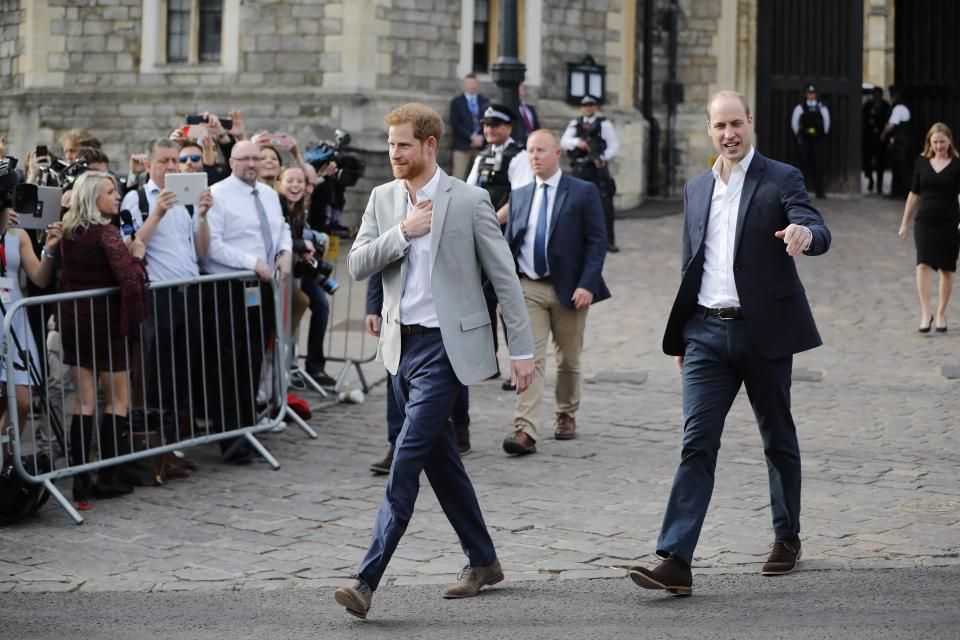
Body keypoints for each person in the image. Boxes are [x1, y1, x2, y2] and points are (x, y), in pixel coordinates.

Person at [334, 103, 534, 619]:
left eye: (402, 145)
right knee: (443, 466)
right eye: (389, 145)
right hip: (401, 351)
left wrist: (523, 350)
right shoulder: (382, 199)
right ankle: (484, 561)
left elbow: (505, 278)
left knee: (404, 462)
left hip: (449, 351)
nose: (393, 154)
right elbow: (357, 265)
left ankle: (366, 580)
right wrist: (402, 231)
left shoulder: (469, 199)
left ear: (428, 145)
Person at [628, 91, 830, 596]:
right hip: (704, 334)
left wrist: (805, 234)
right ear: (709, 129)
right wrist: (681, 335)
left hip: (764, 333)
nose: (729, 135)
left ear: (750, 122)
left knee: (777, 438)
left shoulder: (780, 177)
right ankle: (675, 559)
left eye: (736, 124)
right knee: (696, 442)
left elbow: (815, 223)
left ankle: (787, 537)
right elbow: (689, 261)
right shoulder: (696, 187)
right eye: (720, 127)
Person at [501, 128, 610, 455]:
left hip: (570, 290)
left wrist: (587, 283)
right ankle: (525, 430)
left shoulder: (582, 192)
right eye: (530, 151)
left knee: (569, 360)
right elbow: (510, 243)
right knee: (528, 359)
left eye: (540, 151)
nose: (534, 157)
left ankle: (566, 413)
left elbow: (597, 241)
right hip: (529, 287)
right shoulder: (519, 194)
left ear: (557, 154)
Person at [58, 171, 150, 509]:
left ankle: (81, 482)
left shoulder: (70, 231)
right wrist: (137, 255)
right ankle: (110, 477)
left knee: (84, 403)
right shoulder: (106, 234)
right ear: (93, 198)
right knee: (117, 400)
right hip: (105, 325)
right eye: (110, 192)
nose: (117, 196)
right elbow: (130, 279)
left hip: (75, 321)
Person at [203, 140, 292, 464]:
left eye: (257, 158)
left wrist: (285, 253)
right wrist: (252, 261)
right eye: (245, 159)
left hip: (263, 286)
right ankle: (232, 436)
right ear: (232, 161)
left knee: (254, 357)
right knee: (229, 362)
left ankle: (248, 427)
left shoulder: (268, 194)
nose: (252, 164)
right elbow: (213, 247)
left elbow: (281, 228)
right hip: (230, 286)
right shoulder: (218, 195)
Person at [118, 139, 212, 439]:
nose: (172, 166)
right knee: (156, 373)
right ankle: (156, 442)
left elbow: (200, 250)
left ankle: (173, 440)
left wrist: (204, 215)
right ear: (149, 165)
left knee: (184, 370)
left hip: (189, 293)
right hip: (158, 296)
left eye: (175, 160)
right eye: (164, 161)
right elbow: (130, 247)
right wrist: (156, 214)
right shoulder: (138, 199)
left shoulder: (186, 200)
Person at [365, 272, 472, 476]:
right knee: (395, 378)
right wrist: (373, 306)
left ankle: (460, 426)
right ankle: (397, 445)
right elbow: (378, 256)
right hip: (399, 320)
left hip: (443, 317)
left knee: (453, 374)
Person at [0, 207, 63, 451]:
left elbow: (39, 277)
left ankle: (7, 459)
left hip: (14, 317)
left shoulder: (18, 233)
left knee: (23, 401)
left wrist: (49, 249)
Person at [897, 122, 960, 333]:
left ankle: (941, 312)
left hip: (950, 223)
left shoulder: (957, 164)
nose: (939, 146)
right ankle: (926, 312)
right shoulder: (922, 163)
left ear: (949, 140)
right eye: (935, 142)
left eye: (942, 141)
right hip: (924, 222)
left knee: (947, 268)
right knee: (922, 264)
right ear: (929, 142)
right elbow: (913, 193)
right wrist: (904, 222)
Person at [276, 164, 335, 386]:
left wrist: (304, 252)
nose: (295, 185)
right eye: (290, 181)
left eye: (300, 181)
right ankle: (280, 376)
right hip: (273, 278)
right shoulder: (276, 204)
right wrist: (301, 245)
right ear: (278, 183)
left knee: (309, 303)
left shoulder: (298, 210)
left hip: (291, 276)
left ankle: (286, 372)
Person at [561, 95, 620, 252]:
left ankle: (608, 240)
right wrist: (578, 143)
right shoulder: (575, 123)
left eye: (591, 105)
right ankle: (577, 239)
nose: (587, 108)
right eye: (584, 105)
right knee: (575, 203)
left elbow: (613, 146)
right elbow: (564, 141)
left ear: (595, 107)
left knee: (605, 204)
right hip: (580, 168)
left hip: (597, 169)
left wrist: (601, 158)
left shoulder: (604, 124)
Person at [791, 83, 830, 199]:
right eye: (809, 93)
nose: (811, 95)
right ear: (806, 94)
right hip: (805, 140)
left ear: (816, 95)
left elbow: (827, 124)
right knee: (802, 165)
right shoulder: (800, 107)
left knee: (818, 165)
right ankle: (801, 192)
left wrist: (821, 136)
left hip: (817, 140)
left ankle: (820, 191)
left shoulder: (821, 107)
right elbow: (794, 123)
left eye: (812, 93)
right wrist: (800, 136)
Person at [450, 74, 490, 181]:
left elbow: (488, 120)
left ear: (476, 85)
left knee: (481, 178)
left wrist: (481, 137)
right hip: (462, 146)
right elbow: (455, 123)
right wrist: (471, 137)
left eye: (473, 83)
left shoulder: (484, 101)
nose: (471, 86)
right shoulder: (457, 102)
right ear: (464, 85)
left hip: (481, 145)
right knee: (458, 178)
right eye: (469, 83)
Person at [883, 86, 913, 198]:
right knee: (898, 167)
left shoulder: (899, 107)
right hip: (902, 143)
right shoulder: (901, 106)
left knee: (902, 168)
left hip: (902, 144)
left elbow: (891, 125)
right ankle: (898, 191)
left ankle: (903, 192)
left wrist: (883, 134)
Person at [862, 86, 891, 194]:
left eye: (878, 94)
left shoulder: (886, 105)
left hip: (881, 139)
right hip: (869, 138)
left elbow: (888, 120)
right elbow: (863, 120)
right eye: (874, 94)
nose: (876, 96)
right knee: (867, 162)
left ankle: (879, 185)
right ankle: (870, 179)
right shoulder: (867, 105)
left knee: (881, 162)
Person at [516, 82, 541, 147]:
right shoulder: (513, 108)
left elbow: (537, 127)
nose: (520, 93)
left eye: (522, 90)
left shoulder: (530, 108)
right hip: (519, 144)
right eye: (518, 91)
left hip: (533, 144)